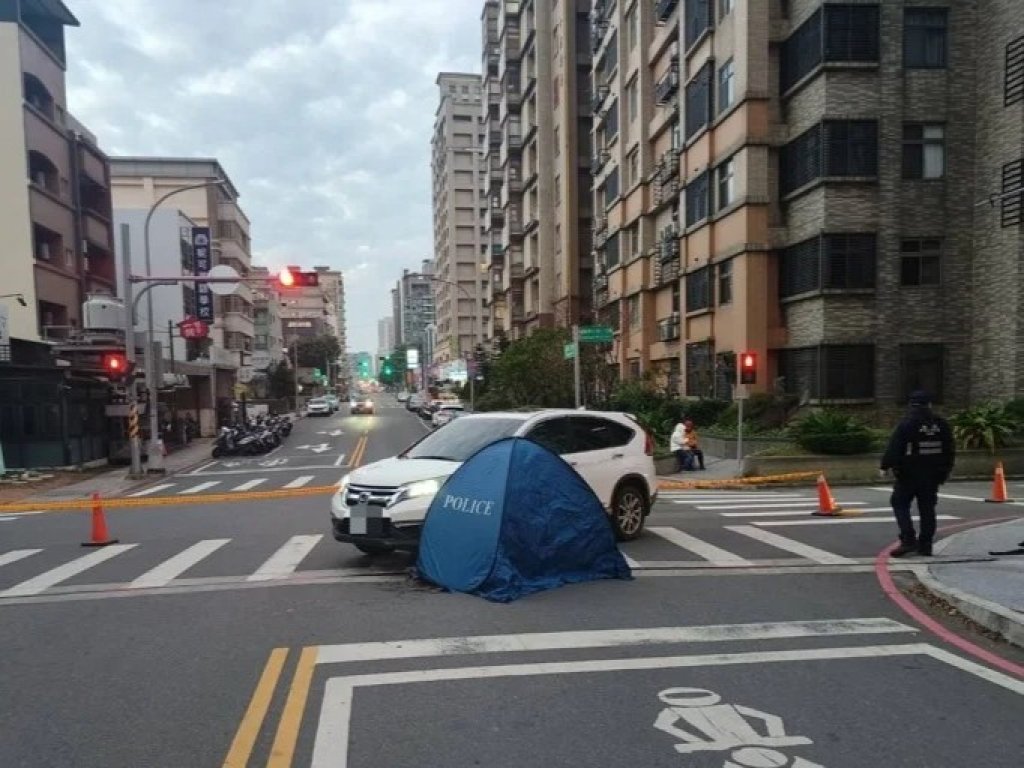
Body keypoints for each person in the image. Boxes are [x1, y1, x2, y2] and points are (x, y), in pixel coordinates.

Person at [880, 390, 955, 557]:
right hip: (933, 475)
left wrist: (885, 466)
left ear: (911, 405)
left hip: (909, 474)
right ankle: (926, 545)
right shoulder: (941, 424)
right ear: (929, 404)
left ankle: (908, 540)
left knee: (899, 503)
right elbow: (950, 450)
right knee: (927, 509)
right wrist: (945, 471)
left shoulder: (907, 423)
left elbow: (895, 447)